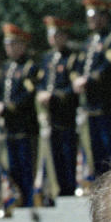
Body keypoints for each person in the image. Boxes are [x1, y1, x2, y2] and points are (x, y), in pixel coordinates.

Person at [72, 0, 111, 178]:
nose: (90, 20)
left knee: (108, 144)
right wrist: (76, 79)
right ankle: (98, 179)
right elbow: (77, 67)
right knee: (94, 147)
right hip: (90, 104)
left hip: (106, 102)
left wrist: (87, 80)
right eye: (89, 16)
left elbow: (108, 68)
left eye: (94, 16)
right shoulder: (87, 43)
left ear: (104, 17)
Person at [0, 22, 40, 202]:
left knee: (27, 169)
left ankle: (30, 205)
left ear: (22, 45)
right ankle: (18, 204)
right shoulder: (7, 68)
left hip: (25, 127)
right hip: (10, 128)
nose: (9, 48)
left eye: (13, 44)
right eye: (7, 44)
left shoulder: (29, 68)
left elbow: (27, 96)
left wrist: (6, 107)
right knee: (14, 171)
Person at [36, 16, 80, 197]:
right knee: (56, 155)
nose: (53, 38)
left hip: (67, 114)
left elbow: (74, 87)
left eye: (56, 34)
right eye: (50, 35)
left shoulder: (71, 58)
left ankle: (71, 188)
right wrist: (40, 94)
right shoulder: (47, 58)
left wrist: (53, 96)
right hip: (52, 116)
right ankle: (61, 189)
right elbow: (41, 82)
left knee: (69, 153)